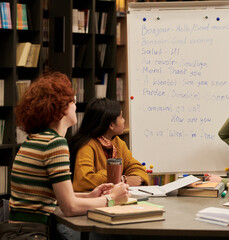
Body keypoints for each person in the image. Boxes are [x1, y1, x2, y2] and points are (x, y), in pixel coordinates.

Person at [0, 72, 129, 239]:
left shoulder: (35, 139)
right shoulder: (55, 144)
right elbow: (70, 207)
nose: (75, 105)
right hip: (33, 234)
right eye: (72, 100)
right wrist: (112, 198)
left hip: (17, 232)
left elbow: (51, 197)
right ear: (60, 108)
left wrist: (89, 195)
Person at [69, 98, 149, 192]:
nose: (124, 121)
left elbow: (136, 168)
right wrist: (120, 179)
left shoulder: (118, 143)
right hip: (90, 202)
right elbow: (83, 180)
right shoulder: (87, 145)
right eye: (121, 117)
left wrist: (124, 179)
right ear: (111, 125)